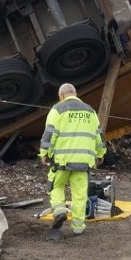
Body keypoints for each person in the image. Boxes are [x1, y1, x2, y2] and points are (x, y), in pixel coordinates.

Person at [39, 83, 107, 237]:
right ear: (75, 94)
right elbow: (99, 136)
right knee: (80, 194)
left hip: (62, 161)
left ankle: (60, 210)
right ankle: (78, 227)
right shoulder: (90, 111)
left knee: (55, 186)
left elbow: (49, 134)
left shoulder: (57, 109)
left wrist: (44, 153)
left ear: (61, 95)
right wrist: (101, 152)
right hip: (83, 162)